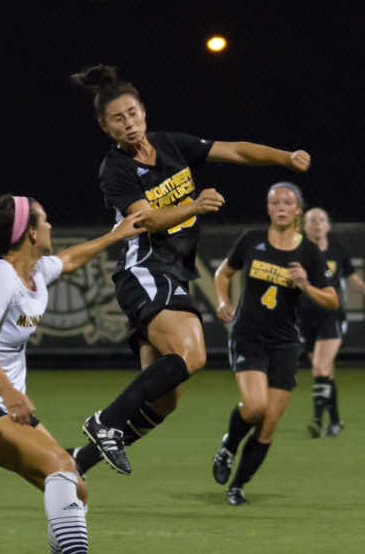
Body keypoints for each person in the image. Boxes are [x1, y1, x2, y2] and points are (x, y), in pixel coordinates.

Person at [68, 63, 312, 477]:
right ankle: (103, 423)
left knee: (166, 399)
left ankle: (77, 461)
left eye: (132, 113)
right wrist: (194, 205)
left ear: (143, 111)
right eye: (117, 119)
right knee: (193, 353)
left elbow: (234, 149)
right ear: (104, 127)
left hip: (171, 273)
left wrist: (284, 158)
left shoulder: (170, 146)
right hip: (144, 270)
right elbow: (145, 220)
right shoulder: (117, 169)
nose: (128, 123)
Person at [0, 194, 144, 554]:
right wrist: (9, 390)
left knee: (76, 485)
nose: (52, 226)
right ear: (31, 232)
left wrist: (117, 234)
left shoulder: (33, 271)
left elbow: (69, 259)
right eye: (46, 220)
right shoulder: (1, 275)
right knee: (59, 464)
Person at [211, 183, 338, 505]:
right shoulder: (251, 240)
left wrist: (306, 286)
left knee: (267, 426)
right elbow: (222, 274)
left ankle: (237, 486)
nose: (281, 206)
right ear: (268, 209)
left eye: (288, 202)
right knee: (255, 407)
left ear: (298, 210)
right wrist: (223, 301)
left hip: (284, 344)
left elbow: (332, 300)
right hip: (249, 336)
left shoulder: (308, 251)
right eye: (274, 202)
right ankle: (228, 445)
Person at [300, 207, 365, 438]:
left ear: (328, 225)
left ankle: (317, 421)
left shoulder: (338, 250)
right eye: (311, 220)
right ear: (304, 225)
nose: (317, 224)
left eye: (322, 220)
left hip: (332, 315)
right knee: (325, 371)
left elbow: (351, 277)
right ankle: (335, 421)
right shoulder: (298, 251)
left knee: (319, 367)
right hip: (305, 318)